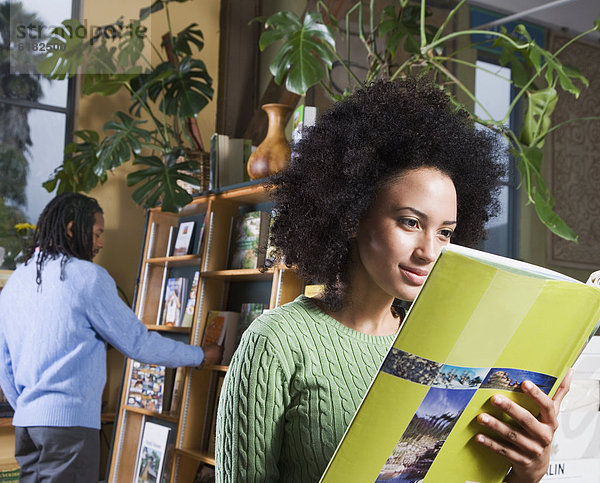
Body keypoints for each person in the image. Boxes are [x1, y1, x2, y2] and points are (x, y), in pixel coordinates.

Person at [215, 79, 571, 482]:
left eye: (445, 232)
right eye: (410, 222)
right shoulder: (276, 344)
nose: (429, 251)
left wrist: (529, 471)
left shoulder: (445, 342)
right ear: (350, 216)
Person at [0, 192, 221, 482]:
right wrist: (201, 356)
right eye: (97, 233)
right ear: (71, 229)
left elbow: (5, 365)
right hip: (69, 428)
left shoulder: (16, 281)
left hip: (27, 427)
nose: (101, 243)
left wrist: (30, 409)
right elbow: (138, 344)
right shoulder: (87, 277)